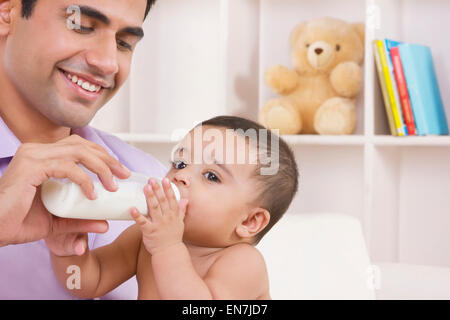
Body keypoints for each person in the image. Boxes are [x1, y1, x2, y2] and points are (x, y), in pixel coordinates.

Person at [0, 0, 163, 299]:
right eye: (81, 26)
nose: (108, 63)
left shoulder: (155, 185)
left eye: (124, 43)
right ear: (6, 12)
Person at [46, 116, 299, 300]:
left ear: (249, 222)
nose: (182, 176)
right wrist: (67, 254)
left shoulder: (242, 263)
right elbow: (90, 282)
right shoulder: (146, 239)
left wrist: (167, 248)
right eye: (180, 163)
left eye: (211, 176)